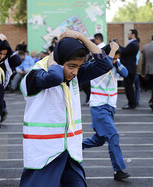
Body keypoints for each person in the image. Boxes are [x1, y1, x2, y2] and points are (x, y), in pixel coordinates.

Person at [19, 30, 113, 187]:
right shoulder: (35, 75)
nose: (76, 72)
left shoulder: (73, 73)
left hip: (69, 152)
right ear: (59, 60)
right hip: (45, 154)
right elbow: (54, 78)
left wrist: (81, 37)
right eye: (71, 66)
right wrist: (53, 60)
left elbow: (105, 64)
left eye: (79, 66)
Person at [82, 43, 131, 181]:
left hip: (110, 107)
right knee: (113, 135)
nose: (115, 60)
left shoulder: (115, 63)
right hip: (99, 106)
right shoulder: (96, 63)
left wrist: (117, 62)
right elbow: (106, 65)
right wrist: (112, 55)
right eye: (114, 57)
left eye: (117, 58)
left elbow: (125, 73)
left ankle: (75, 147)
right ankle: (119, 170)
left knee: (99, 139)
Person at [0, 34, 22, 124]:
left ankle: (2, 111)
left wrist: (8, 47)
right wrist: (0, 39)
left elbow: (18, 61)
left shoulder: (6, 61)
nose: (1, 57)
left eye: (4, 54)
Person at [120, 29, 140, 109]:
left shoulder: (133, 44)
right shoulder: (133, 43)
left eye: (129, 34)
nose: (128, 35)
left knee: (129, 87)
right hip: (131, 68)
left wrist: (117, 45)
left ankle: (132, 103)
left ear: (133, 35)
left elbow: (124, 51)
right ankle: (132, 102)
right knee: (129, 87)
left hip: (130, 68)